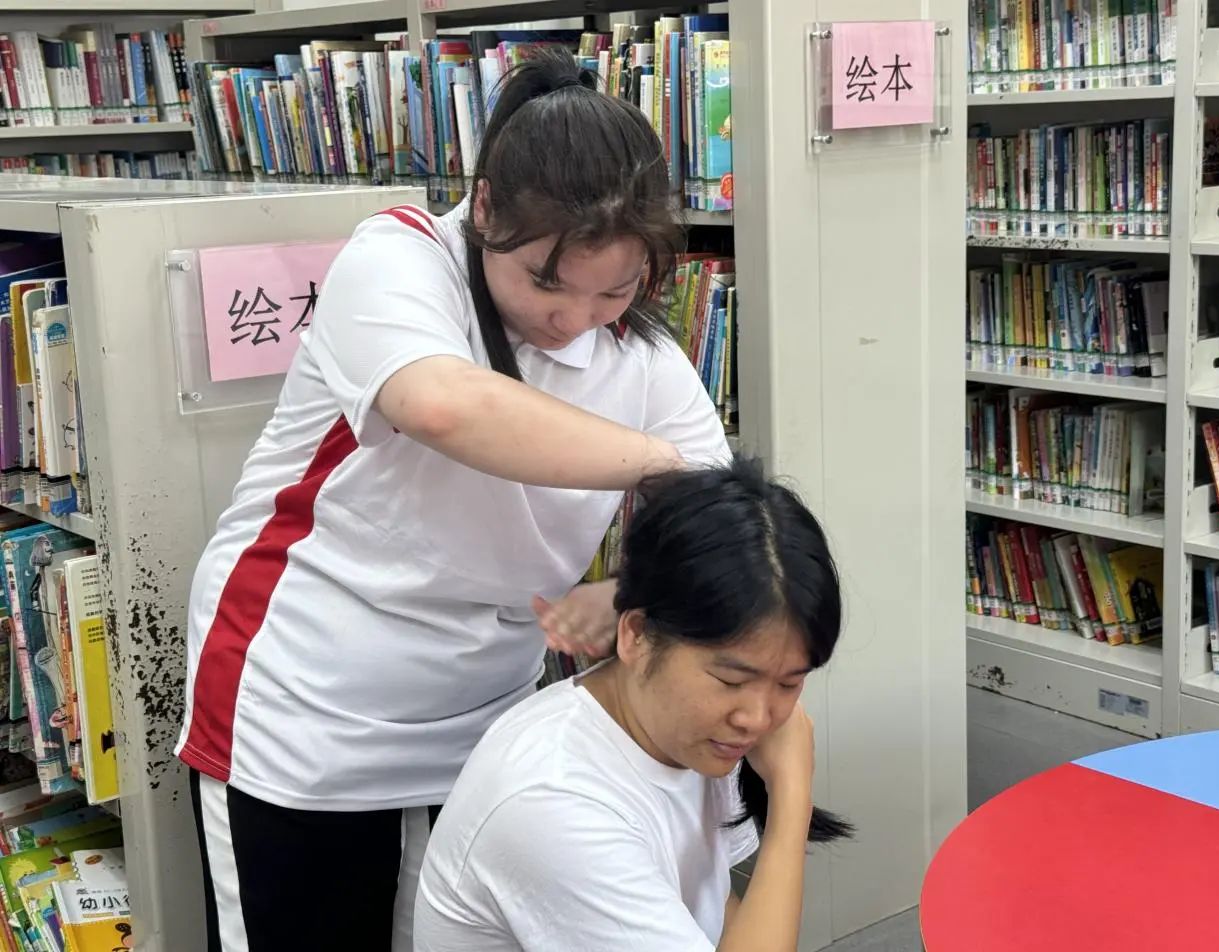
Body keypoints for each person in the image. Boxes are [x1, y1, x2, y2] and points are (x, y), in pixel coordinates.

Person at [174, 45, 731, 952]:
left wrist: (628, 592)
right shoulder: (398, 258)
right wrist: (656, 463)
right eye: (545, 281)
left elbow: (717, 522)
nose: (572, 319)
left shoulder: (639, 354)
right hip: (307, 700)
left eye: (614, 289)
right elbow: (442, 405)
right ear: (485, 210)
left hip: (486, 710)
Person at [414, 458, 853, 952]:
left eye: (790, 683)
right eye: (731, 680)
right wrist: (792, 795)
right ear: (636, 635)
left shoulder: (687, 729)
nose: (757, 718)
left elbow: (708, 907)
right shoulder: (553, 801)